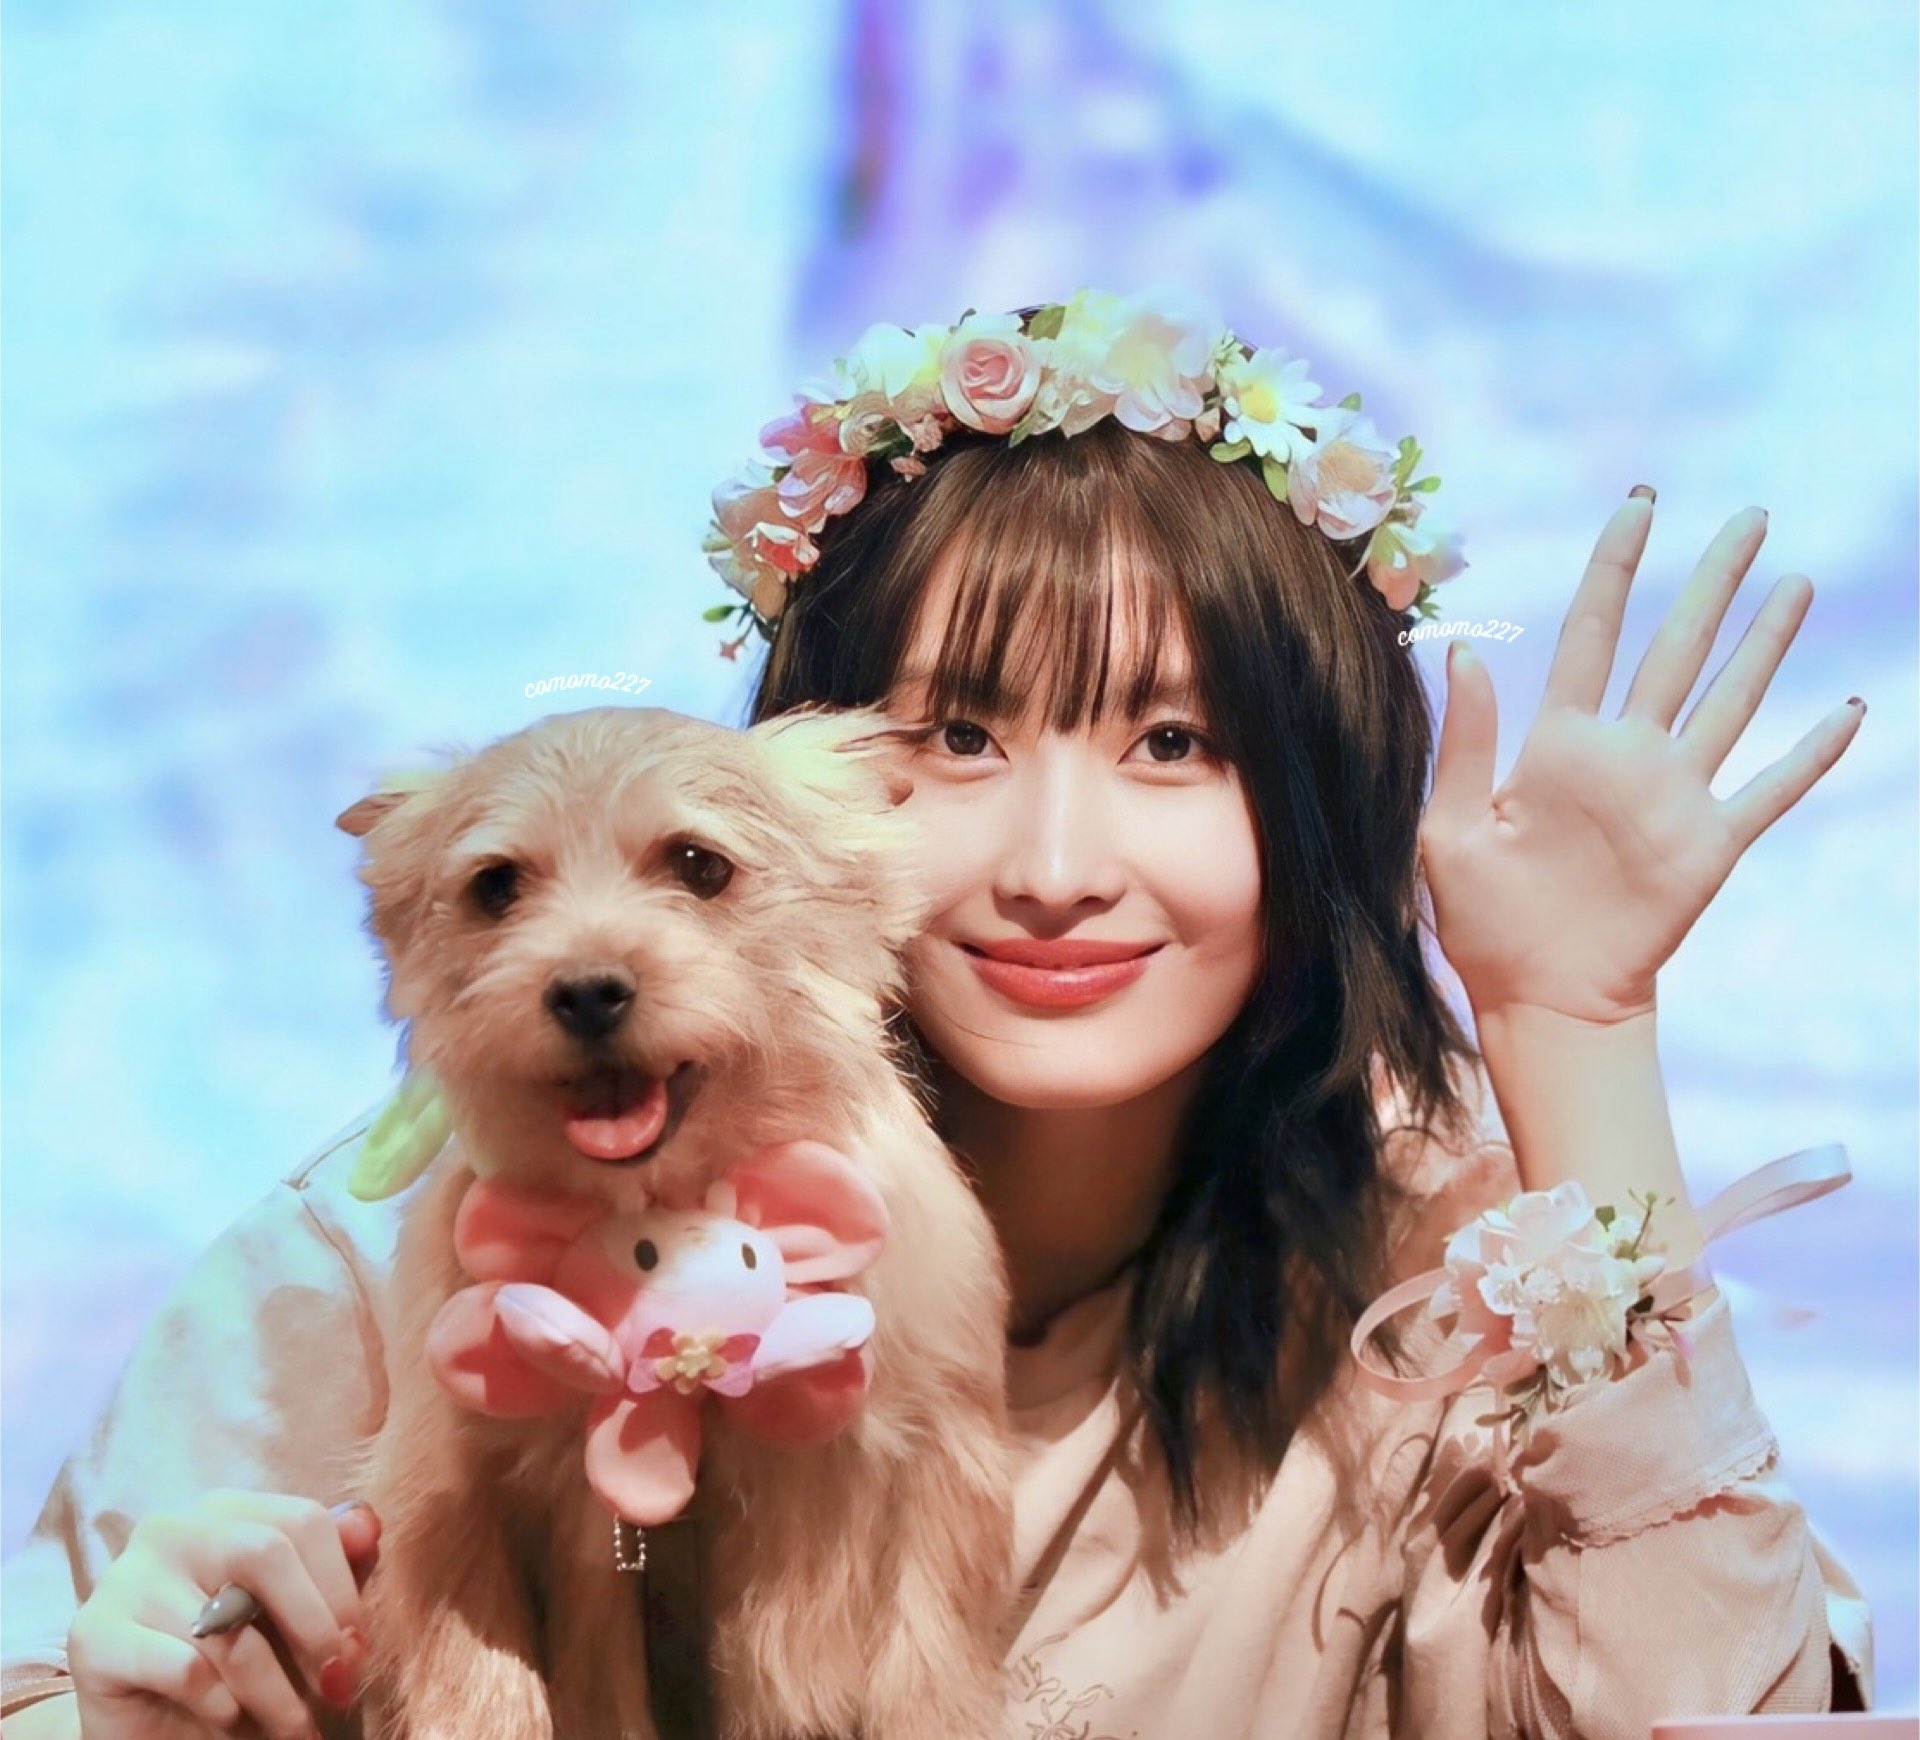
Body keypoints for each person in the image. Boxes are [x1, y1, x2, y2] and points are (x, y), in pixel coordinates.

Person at [1, 291, 1875, 1739]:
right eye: (959, 736)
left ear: (1316, 800)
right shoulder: (426, 1230)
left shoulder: (1435, 1287)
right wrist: (136, 1703)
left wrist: (1574, 1029)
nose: (1055, 864)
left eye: (1174, 742)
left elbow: (1720, 1713)